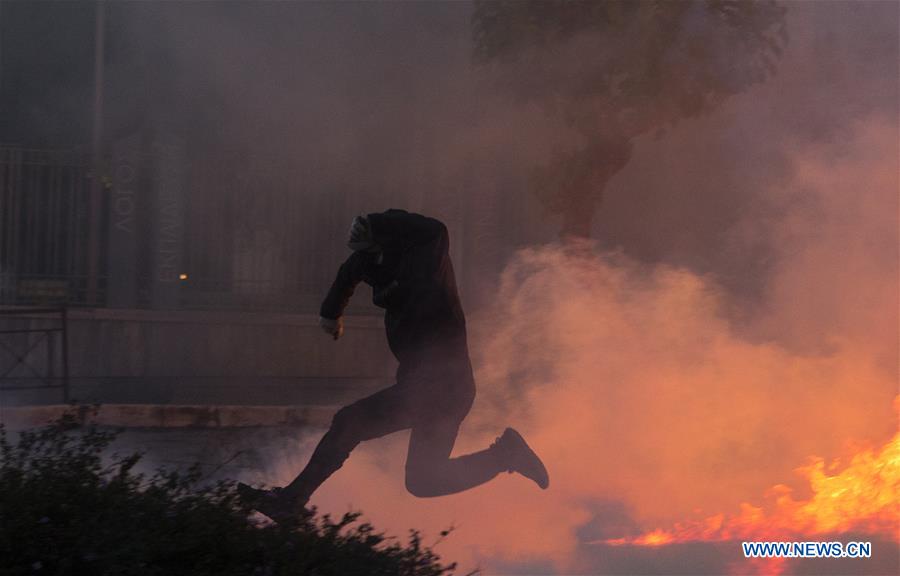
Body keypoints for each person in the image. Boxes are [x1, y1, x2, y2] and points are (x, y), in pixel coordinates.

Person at [239, 209, 548, 523]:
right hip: (428, 387)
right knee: (423, 481)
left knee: (350, 422)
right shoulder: (370, 266)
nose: (374, 271)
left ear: (388, 243)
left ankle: (292, 500)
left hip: (443, 385)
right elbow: (348, 273)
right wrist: (331, 313)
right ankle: (504, 455)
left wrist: (376, 222)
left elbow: (436, 229)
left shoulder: (428, 261)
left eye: (377, 255)